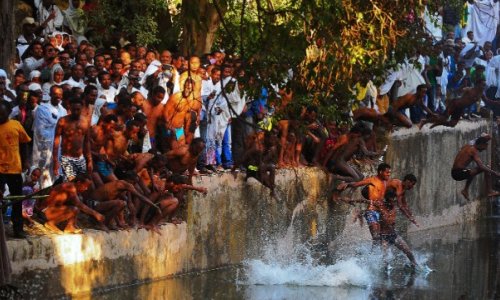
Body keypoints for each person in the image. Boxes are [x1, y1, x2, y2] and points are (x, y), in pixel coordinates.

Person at [338, 163, 392, 244]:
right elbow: (357, 184)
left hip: (380, 212)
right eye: (387, 172)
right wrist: (347, 184)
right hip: (371, 211)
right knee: (376, 236)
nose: (389, 174)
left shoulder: (386, 181)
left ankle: (376, 255)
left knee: (381, 237)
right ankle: (373, 255)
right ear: (381, 172)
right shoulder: (372, 180)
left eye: (389, 172)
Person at [0, 102, 32, 238]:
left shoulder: (16, 124)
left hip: (15, 168)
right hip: (0, 170)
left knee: (17, 200)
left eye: (2, 113)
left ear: (7, 112)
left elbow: (24, 143)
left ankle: (18, 229)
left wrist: (25, 160)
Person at [39, 174, 105, 234]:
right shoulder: (70, 187)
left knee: (75, 207)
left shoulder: (73, 188)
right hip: (45, 211)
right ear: (79, 183)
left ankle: (70, 227)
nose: (86, 189)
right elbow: (79, 205)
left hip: (53, 210)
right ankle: (50, 223)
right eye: (85, 186)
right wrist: (95, 213)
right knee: (74, 209)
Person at [32, 85, 67, 188]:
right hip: (44, 149)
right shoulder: (42, 109)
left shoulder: (63, 110)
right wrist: (57, 129)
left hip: (58, 148)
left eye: (60, 94)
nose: (58, 96)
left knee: (57, 178)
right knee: (44, 178)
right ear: (50, 94)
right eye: (55, 94)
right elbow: (41, 131)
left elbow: (63, 129)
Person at [53, 97, 92, 181]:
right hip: (67, 158)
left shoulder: (85, 121)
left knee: (83, 185)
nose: (76, 112)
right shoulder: (62, 121)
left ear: (82, 108)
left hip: (81, 158)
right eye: (73, 109)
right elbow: (56, 140)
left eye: (78, 109)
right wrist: (55, 160)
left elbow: (87, 142)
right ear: (69, 108)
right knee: (72, 184)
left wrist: (89, 160)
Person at [451, 134, 500, 200]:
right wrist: (495, 173)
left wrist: (488, 137)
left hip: (457, 171)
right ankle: (489, 191)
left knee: (472, 172)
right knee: (485, 168)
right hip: (458, 173)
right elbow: (481, 166)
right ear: (481, 145)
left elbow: (482, 138)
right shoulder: (473, 151)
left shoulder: (468, 145)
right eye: (483, 148)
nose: (483, 150)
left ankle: (465, 190)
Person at [142, 86, 165, 150]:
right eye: (158, 97)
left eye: (162, 98)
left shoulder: (162, 108)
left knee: (151, 153)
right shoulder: (143, 104)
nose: (160, 100)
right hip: (140, 135)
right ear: (153, 94)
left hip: (152, 137)